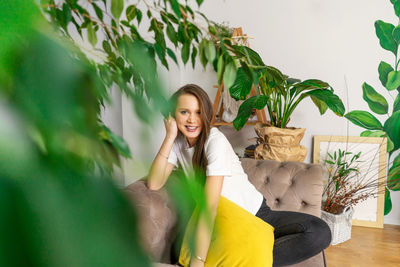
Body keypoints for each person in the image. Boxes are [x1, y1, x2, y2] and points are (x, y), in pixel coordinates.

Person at [147, 84, 331, 267]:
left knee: (318, 231)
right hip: (222, 224)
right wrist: (169, 135)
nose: (192, 120)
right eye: (184, 112)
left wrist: (198, 262)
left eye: (198, 112)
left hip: (254, 214)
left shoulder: (214, 140)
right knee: (180, 250)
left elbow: (209, 206)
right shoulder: (177, 142)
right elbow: (155, 183)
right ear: (172, 115)